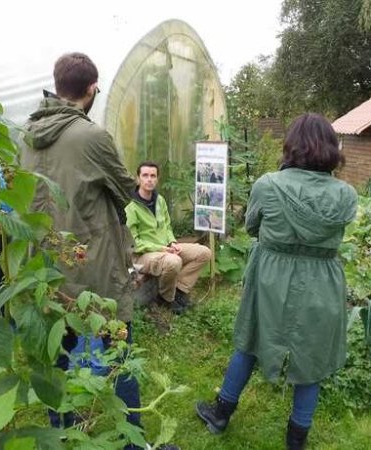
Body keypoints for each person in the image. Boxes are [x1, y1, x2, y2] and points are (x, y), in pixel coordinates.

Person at [20, 53, 179, 450]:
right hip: (92, 268)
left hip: (46, 269)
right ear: (91, 89)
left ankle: (60, 434)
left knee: (58, 352)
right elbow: (126, 187)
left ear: (57, 86)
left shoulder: (25, 134)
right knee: (118, 348)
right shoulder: (91, 137)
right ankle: (132, 443)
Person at [195, 113, 357, 450]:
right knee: (311, 358)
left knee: (251, 337)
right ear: (331, 147)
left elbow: (253, 226)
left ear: (291, 145)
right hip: (322, 278)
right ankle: (296, 440)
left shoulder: (268, 185)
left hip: (270, 274)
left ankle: (221, 413)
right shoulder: (345, 194)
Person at [125, 161, 211, 314]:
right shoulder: (131, 206)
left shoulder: (160, 201)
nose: (149, 179)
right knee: (173, 261)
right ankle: (166, 299)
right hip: (142, 255)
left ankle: (179, 290)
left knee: (204, 253)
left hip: (165, 249)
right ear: (138, 179)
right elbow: (133, 243)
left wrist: (172, 242)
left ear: (157, 179)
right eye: (145, 175)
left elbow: (167, 227)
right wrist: (161, 249)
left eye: (153, 175)